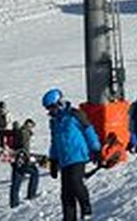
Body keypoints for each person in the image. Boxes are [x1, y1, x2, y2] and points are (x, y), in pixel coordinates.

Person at [44, 87, 101, 221]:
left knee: (76, 183)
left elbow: (89, 131)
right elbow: (54, 142)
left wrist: (96, 149)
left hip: (78, 156)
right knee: (66, 194)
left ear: (59, 102)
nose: (50, 111)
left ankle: (86, 209)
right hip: (64, 160)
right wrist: (53, 160)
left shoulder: (75, 115)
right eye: (48, 109)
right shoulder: (54, 122)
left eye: (52, 107)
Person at [4, 118, 41, 207]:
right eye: (31, 126)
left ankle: (14, 203)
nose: (32, 129)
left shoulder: (18, 132)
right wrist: (27, 158)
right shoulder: (24, 133)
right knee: (35, 173)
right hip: (22, 159)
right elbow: (24, 148)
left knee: (16, 181)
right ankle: (31, 194)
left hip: (15, 159)